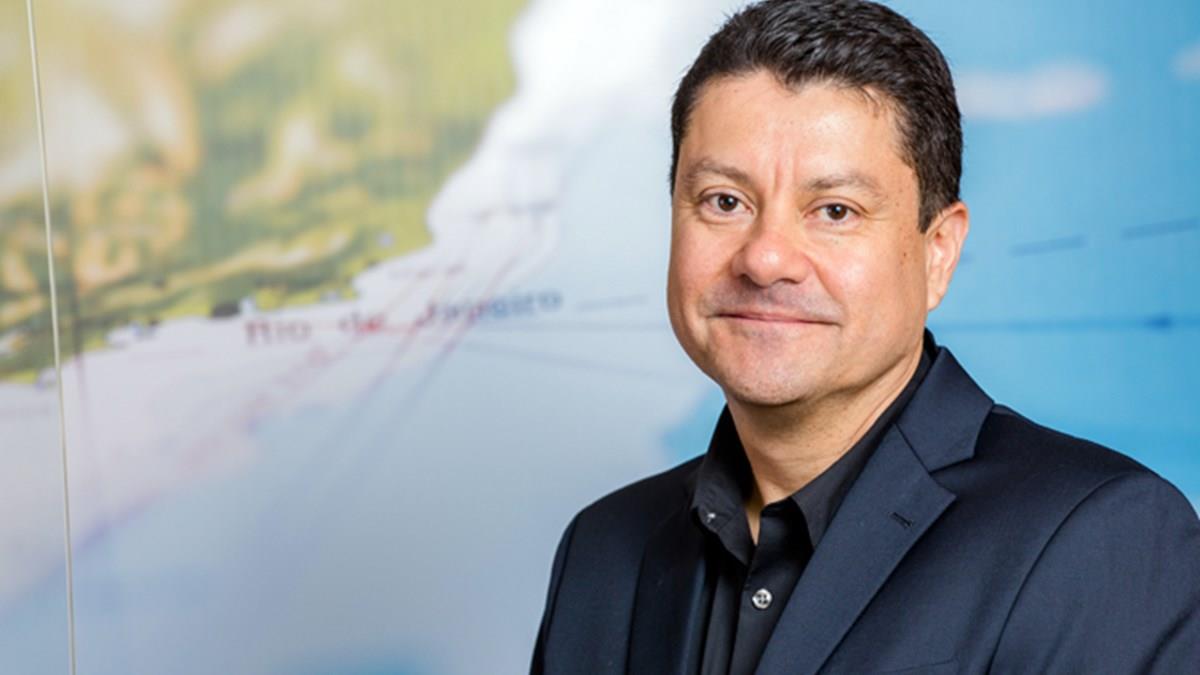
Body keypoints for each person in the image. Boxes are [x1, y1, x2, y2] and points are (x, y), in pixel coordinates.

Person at [530, 1, 1200, 673]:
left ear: (938, 253)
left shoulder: (1101, 541)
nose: (765, 258)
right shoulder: (603, 550)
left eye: (834, 211)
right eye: (724, 201)